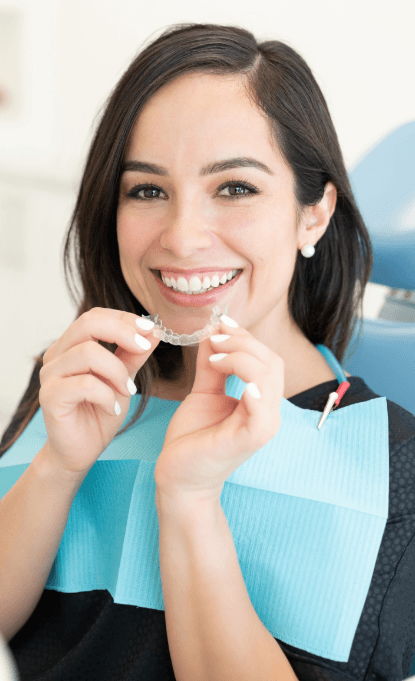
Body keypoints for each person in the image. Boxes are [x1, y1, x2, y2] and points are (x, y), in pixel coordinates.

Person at [0, 21, 415, 681]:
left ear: (313, 212)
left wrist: (189, 496)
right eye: (146, 190)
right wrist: (56, 462)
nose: (184, 237)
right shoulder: (73, 383)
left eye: (234, 188)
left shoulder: (394, 465)